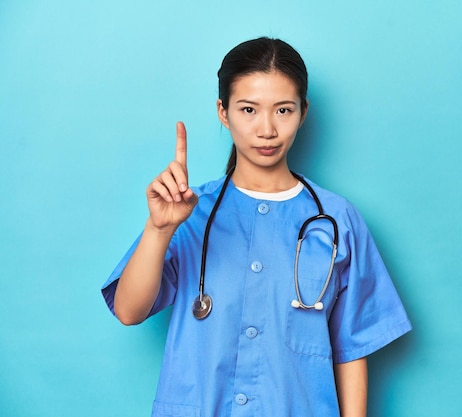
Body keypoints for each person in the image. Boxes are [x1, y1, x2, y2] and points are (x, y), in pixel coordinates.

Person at [102, 37, 411, 417]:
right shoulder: (187, 211)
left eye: (283, 110)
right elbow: (129, 311)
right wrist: (159, 229)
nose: (267, 129)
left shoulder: (337, 221)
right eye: (248, 109)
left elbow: (352, 349)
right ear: (223, 111)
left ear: (303, 111)